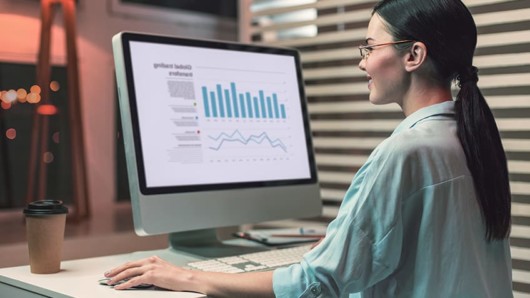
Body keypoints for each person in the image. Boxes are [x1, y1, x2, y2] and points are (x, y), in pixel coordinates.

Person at [103, 0, 513, 296]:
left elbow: (317, 283)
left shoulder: (406, 152)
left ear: (414, 55)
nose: (362, 63)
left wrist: (190, 277)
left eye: (370, 48)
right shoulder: (470, 138)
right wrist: (343, 244)